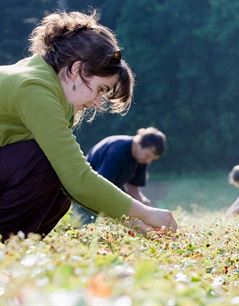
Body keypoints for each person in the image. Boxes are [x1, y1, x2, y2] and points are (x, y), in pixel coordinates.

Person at [0, 11, 177, 241]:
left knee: (60, 180)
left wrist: (135, 222)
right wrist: (146, 212)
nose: (96, 103)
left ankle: (16, 247)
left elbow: (75, 183)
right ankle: (8, 245)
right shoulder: (35, 90)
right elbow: (78, 178)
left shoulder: (46, 83)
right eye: (101, 90)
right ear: (76, 69)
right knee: (48, 164)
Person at [73, 127, 166, 223]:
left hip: (110, 188)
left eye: (152, 158)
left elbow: (133, 190)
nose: (149, 161)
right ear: (139, 143)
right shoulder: (117, 151)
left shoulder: (141, 159)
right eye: (148, 155)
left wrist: (148, 210)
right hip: (87, 191)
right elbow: (101, 187)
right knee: (87, 223)